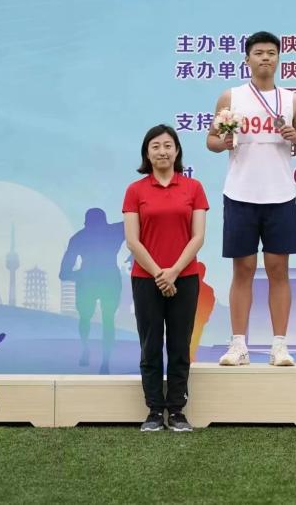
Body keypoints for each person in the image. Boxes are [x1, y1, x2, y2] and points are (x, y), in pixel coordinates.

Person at [207, 31, 296, 367]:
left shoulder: (292, 100)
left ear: (278, 59)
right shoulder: (231, 97)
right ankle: (238, 344)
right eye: (259, 53)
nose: (265, 58)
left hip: (280, 194)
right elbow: (211, 140)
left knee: (279, 269)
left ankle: (279, 345)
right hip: (240, 193)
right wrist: (223, 142)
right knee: (243, 269)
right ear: (247, 59)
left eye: (271, 53)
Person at [123, 124, 207, 431]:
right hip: (146, 278)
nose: (162, 151)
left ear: (177, 151)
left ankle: (177, 410)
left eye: (168, 145)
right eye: (155, 146)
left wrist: (174, 272)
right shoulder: (135, 191)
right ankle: (155, 411)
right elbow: (132, 241)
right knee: (150, 344)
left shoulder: (193, 188)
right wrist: (160, 274)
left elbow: (198, 237)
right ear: (147, 153)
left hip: (185, 277)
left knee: (180, 345)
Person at [59, 208, 126, 374]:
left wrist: (79, 275)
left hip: (89, 282)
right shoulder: (116, 231)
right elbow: (139, 223)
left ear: (86, 223)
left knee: (87, 319)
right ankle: (104, 361)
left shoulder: (79, 238)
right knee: (107, 321)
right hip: (107, 280)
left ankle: (89, 351)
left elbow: (64, 273)